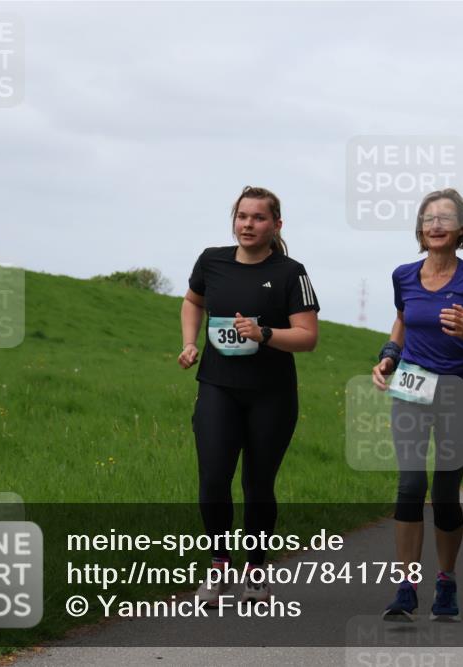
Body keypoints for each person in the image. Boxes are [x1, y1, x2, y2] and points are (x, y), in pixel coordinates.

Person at [180, 186, 320, 606]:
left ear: (276, 224)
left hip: (271, 395)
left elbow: (308, 337)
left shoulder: (291, 272)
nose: (248, 224)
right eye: (242, 216)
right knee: (213, 479)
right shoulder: (212, 261)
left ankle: (256, 569)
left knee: (258, 484)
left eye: (259, 217)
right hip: (217, 387)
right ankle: (219, 564)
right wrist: (189, 342)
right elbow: (192, 302)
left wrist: (265, 334)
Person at [371, 188, 463, 623]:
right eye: (429, 218)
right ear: (420, 228)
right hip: (411, 387)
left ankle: (446, 579)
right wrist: (389, 356)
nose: (436, 225)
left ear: (462, 228)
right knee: (410, 485)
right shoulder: (403, 275)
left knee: (444, 494)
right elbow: (403, 320)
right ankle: (406, 587)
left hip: (455, 392)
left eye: (446, 218)